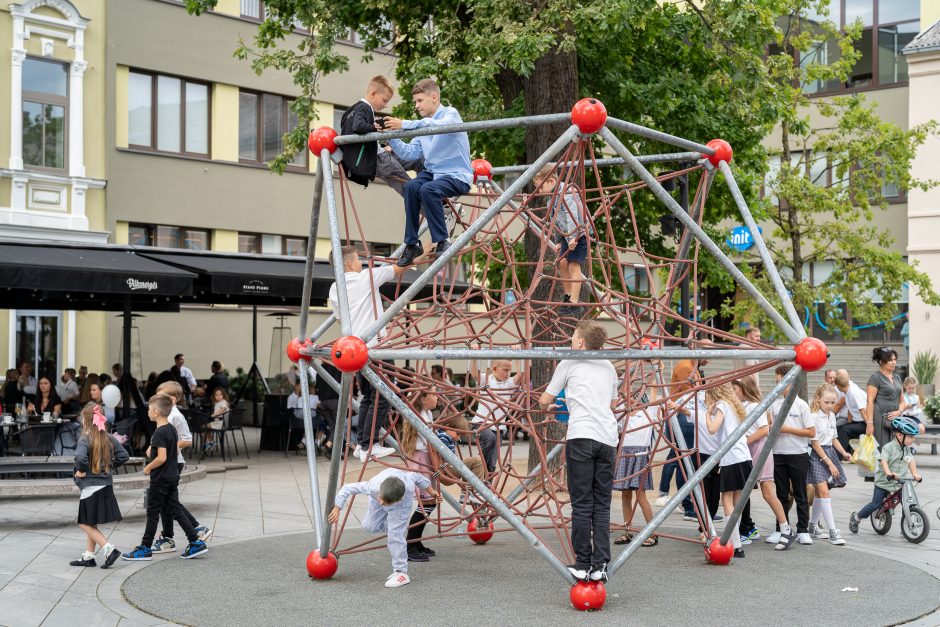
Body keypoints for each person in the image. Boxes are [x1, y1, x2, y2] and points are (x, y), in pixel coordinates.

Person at [540, 320, 618, 583]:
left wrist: (557, 404)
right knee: (602, 504)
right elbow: (613, 403)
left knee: (582, 504)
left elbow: (544, 400)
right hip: (607, 438)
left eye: (573, 336)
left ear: (581, 342)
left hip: (582, 436)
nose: (571, 341)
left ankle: (583, 563)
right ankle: (601, 564)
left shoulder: (569, 362)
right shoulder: (608, 366)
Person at [328, 245, 410, 462]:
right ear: (349, 264)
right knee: (384, 395)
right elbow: (401, 267)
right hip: (376, 348)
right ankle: (368, 444)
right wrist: (426, 248)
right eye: (358, 260)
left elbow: (339, 318)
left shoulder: (335, 288)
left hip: (356, 349)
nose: (361, 263)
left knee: (368, 397)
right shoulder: (365, 278)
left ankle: (363, 445)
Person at [384, 78, 473, 267]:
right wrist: (389, 136)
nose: (416, 105)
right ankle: (411, 243)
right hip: (433, 173)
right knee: (411, 187)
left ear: (434, 97)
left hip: (456, 175)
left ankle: (442, 241)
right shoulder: (422, 126)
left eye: (419, 101)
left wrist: (405, 124)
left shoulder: (450, 114)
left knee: (428, 190)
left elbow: (438, 126)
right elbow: (410, 153)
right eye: (415, 101)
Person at [122, 394, 208, 561]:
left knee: (153, 513)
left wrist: (147, 467)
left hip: (160, 479)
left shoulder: (159, 433)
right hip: (172, 476)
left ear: (155, 412)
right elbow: (172, 452)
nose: (147, 412)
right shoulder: (171, 429)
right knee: (175, 509)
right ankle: (195, 542)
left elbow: (161, 458)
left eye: (148, 409)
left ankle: (145, 548)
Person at [328, 467, 440, 588]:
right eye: (382, 499)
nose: (382, 503)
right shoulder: (373, 485)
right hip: (376, 495)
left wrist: (431, 491)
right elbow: (347, 488)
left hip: (400, 507)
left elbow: (419, 477)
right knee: (369, 526)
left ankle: (401, 572)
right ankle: (391, 528)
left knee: (395, 536)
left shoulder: (408, 486)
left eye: (384, 501)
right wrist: (337, 507)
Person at [150, 381, 212, 555]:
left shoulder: (176, 416)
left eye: (160, 395)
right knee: (167, 501)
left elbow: (188, 439)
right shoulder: (165, 414)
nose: (156, 399)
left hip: (173, 462)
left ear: (172, 399)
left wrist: (167, 447)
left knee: (168, 501)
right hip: (167, 461)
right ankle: (174, 536)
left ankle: (191, 531)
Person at [69, 402, 129, 569]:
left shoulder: (85, 438)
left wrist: (81, 471)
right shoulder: (108, 437)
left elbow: (80, 458)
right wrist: (107, 468)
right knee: (91, 521)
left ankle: (109, 549)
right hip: (105, 485)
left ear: (85, 420)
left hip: (90, 487)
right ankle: (89, 556)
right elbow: (124, 456)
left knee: (84, 523)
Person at [732, 376, 789, 548]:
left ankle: (785, 530)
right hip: (749, 452)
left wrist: (744, 441)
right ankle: (740, 531)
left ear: (744, 389)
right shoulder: (744, 406)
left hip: (758, 451)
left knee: (767, 493)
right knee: (742, 493)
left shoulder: (755, 406)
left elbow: (764, 429)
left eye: (735, 390)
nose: (733, 393)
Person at [532, 164, 592, 317]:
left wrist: (573, 238)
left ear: (551, 181)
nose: (539, 191)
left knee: (573, 265)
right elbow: (554, 221)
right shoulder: (551, 199)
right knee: (562, 262)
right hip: (566, 234)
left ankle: (574, 302)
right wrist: (558, 240)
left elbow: (571, 215)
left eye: (540, 187)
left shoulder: (567, 192)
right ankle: (568, 296)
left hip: (579, 232)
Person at [767, 363, 816, 549]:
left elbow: (811, 432)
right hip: (778, 454)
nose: (778, 386)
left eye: (782, 382)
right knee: (781, 494)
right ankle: (781, 528)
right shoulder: (774, 404)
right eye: (776, 382)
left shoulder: (801, 404)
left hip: (798, 454)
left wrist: (788, 429)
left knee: (800, 493)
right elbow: (770, 426)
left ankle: (803, 529)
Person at [703, 382, 752, 558]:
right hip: (743, 456)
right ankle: (735, 541)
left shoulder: (722, 405)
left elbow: (712, 429)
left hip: (731, 457)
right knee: (738, 501)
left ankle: (736, 545)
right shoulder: (735, 406)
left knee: (727, 501)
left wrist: (708, 413)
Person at [849, 416, 922, 534]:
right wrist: (889, 473)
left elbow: (910, 461)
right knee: (875, 504)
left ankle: (907, 526)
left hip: (899, 483)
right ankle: (856, 518)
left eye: (913, 437)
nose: (913, 439)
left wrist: (915, 473)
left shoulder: (907, 448)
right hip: (884, 482)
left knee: (906, 503)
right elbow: (883, 462)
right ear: (899, 435)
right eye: (910, 436)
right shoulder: (888, 448)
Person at [655, 358, 705, 521]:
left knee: (679, 456)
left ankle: (682, 500)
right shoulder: (686, 367)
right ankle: (684, 502)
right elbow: (691, 391)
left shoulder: (693, 366)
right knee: (682, 457)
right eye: (707, 355)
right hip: (681, 413)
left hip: (682, 411)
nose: (710, 360)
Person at [806, 383, 850, 545]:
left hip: (829, 452)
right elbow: (815, 443)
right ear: (818, 400)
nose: (830, 406)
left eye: (833, 402)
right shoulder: (813, 417)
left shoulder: (831, 416)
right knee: (824, 492)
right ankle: (833, 531)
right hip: (817, 455)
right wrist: (829, 463)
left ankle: (812, 526)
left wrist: (843, 453)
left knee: (820, 493)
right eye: (827, 402)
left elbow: (833, 438)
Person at [469, 353, 523, 475]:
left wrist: (519, 355)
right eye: (505, 370)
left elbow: (520, 374)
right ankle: (476, 464)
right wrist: (474, 355)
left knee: (492, 461)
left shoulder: (508, 383)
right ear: (494, 369)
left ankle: (486, 488)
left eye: (509, 370)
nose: (508, 373)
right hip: (481, 422)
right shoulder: (486, 379)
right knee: (489, 439)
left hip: (498, 426)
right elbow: (474, 374)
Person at [612, 399, 657, 547]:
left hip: (640, 455)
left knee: (640, 495)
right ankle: (627, 530)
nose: (632, 399)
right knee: (625, 495)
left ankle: (652, 533)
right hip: (625, 454)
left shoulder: (648, 412)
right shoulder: (623, 414)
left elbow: (655, 398)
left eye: (636, 396)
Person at [867, 347, 907, 447]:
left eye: (895, 359)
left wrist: (899, 411)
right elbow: (870, 402)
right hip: (880, 417)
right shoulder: (875, 377)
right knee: (882, 448)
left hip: (895, 418)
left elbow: (902, 401)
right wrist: (869, 423)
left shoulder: (897, 378)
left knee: (895, 448)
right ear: (881, 362)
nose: (894, 362)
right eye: (890, 360)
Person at [834, 369, 869, 454]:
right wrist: (850, 422)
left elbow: (863, 410)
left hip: (864, 422)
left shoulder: (854, 392)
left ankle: (840, 456)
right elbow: (850, 409)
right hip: (857, 421)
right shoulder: (847, 392)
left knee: (844, 430)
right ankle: (848, 453)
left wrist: (869, 426)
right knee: (838, 429)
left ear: (838, 385)